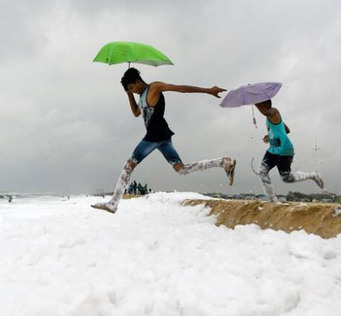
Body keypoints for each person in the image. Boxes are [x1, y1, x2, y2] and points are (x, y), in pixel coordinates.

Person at [92, 67, 236, 214]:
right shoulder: (141, 97)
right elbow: (136, 112)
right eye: (130, 89)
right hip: (161, 137)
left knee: (129, 165)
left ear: (137, 81)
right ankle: (223, 162)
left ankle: (113, 203)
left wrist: (208, 90)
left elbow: (181, 89)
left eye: (132, 87)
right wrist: (129, 95)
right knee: (182, 170)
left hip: (155, 136)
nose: (133, 90)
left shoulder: (154, 87)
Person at [254, 99, 324, 202]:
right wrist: (269, 136)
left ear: (266, 104)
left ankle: (313, 175)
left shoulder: (274, 111)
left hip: (284, 150)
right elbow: (287, 130)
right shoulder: (273, 117)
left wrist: (253, 100)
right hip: (273, 151)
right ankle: (273, 199)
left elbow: (265, 112)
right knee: (262, 173)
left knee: (286, 178)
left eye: (261, 104)